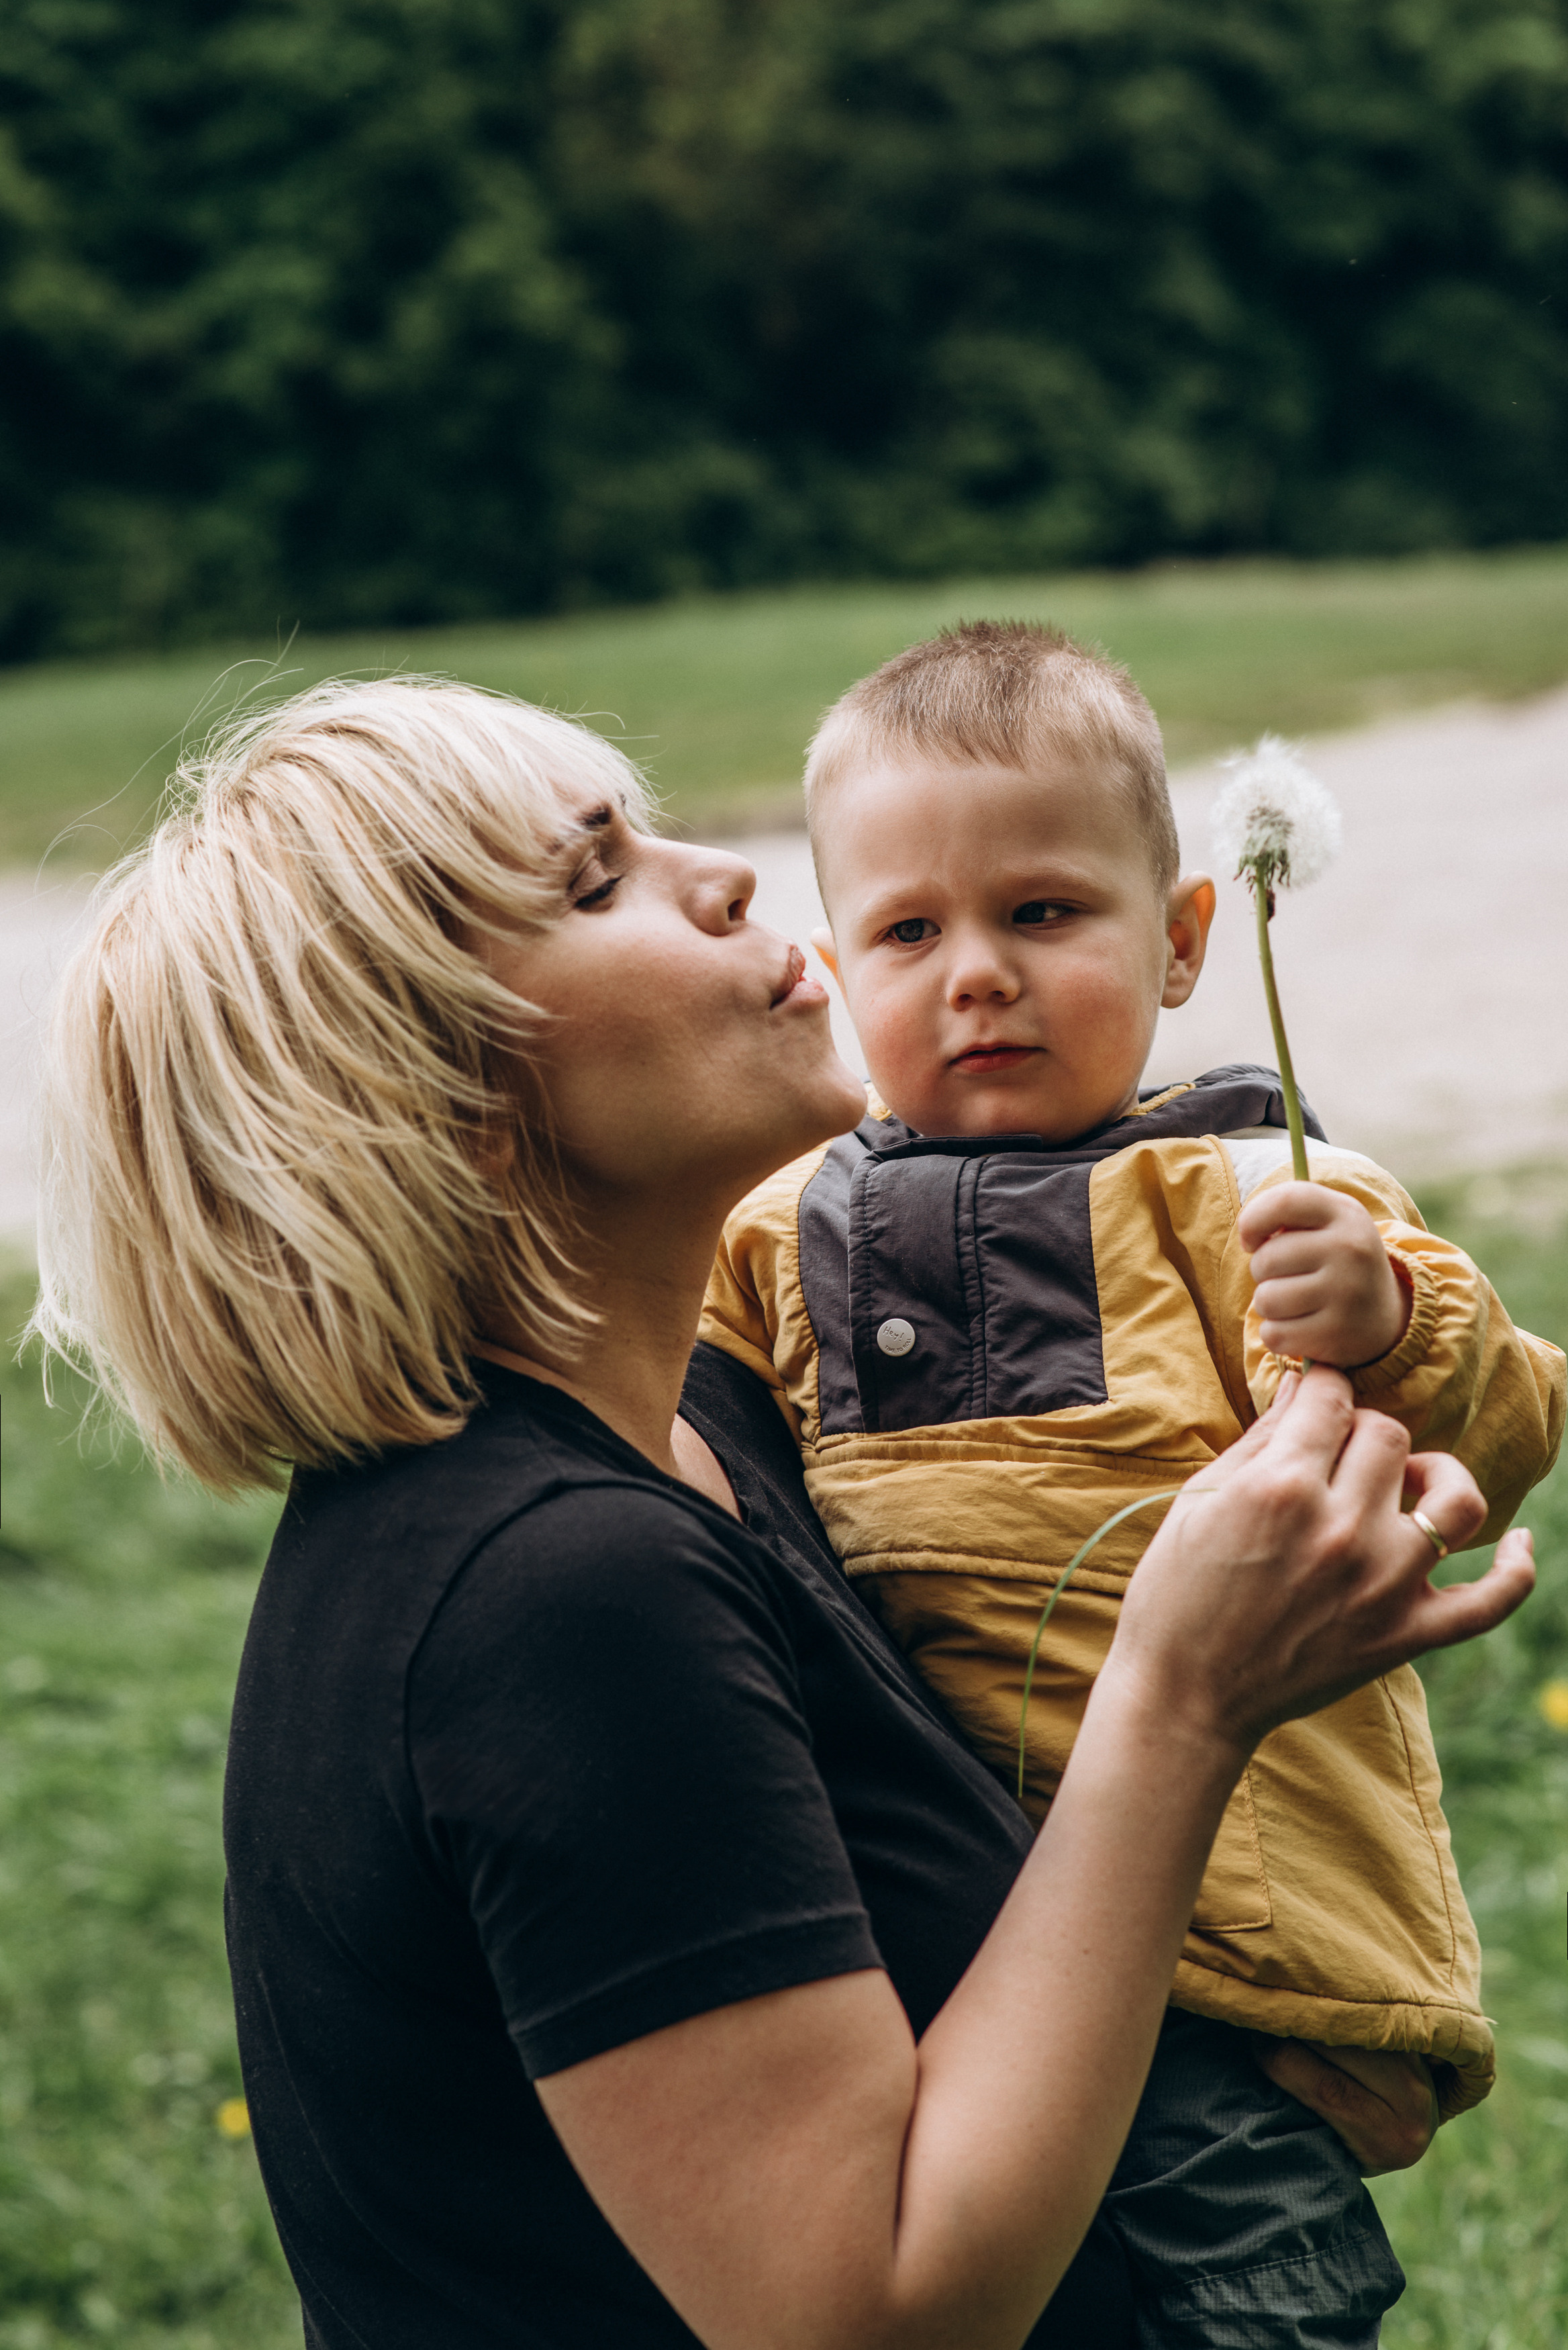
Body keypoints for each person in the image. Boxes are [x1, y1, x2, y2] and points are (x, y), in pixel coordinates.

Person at [29, 677, 1533, 2350]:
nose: (731, 876)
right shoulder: (545, 1596)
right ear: (447, 1102)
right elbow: (863, 2319)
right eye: (598, 881)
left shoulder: (708, 1425)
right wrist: (1181, 1696)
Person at [701, 621, 1565, 2337]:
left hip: (1229, 1957)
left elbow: (1494, 1429)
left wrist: (1389, 1317)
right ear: (834, 962)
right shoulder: (774, 1226)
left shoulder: (1248, 1189)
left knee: (1223, 2292)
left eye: (1040, 913)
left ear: (1179, 941)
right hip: (930, 1945)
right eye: (907, 930)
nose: (976, 973)